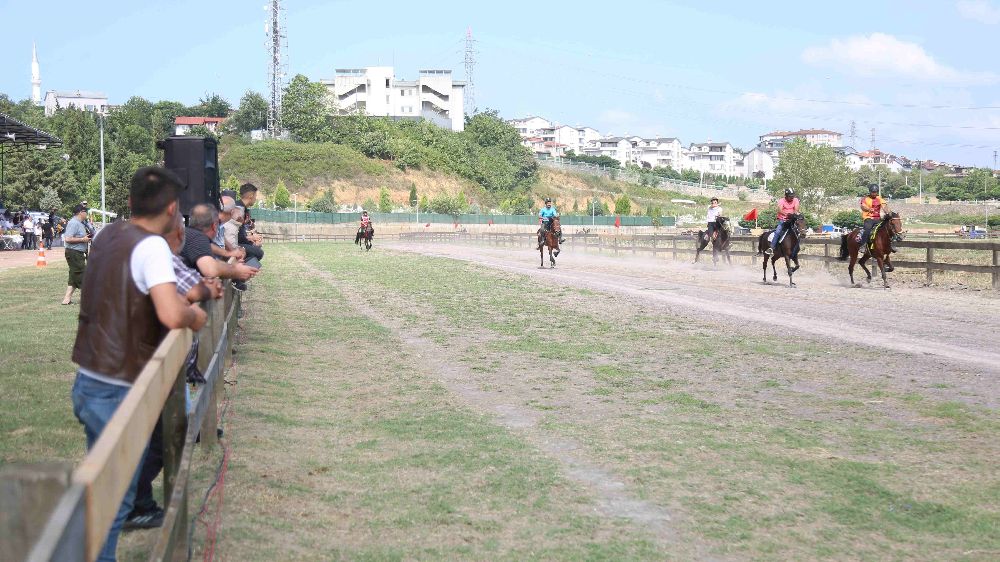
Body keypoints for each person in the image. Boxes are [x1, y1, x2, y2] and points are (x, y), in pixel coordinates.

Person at [71, 166, 207, 562]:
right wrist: (195, 316)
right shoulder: (151, 247)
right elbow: (170, 312)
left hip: (89, 380)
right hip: (117, 389)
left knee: (103, 492)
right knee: (113, 504)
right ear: (171, 209)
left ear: (129, 203)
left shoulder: (108, 234)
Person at [126, 211, 222, 531]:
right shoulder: (160, 255)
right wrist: (203, 294)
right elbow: (191, 291)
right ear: (176, 235)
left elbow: (194, 286)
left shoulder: (165, 255)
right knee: (163, 435)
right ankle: (136, 501)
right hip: (156, 360)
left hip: (171, 361)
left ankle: (136, 500)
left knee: (175, 421)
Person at [181, 203, 259, 282]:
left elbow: (210, 246)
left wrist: (228, 254)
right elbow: (210, 269)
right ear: (215, 226)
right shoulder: (197, 238)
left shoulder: (189, 234)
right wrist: (235, 270)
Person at [62, 205, 92, 305]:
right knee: (82, 274)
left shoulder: (79, 223)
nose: (86, 214)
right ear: (80, 212)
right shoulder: (74, 223)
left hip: (76, 253)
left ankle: (66, 300)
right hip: (74, 252)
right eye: (85, 212)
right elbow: (68, 239)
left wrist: (86, 239)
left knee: (73, 276)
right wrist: (82, 240)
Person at [235, 183, 264, 262]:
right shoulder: (238, 209)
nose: (255, 198)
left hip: (239, 241)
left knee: (257, 249)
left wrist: (252, 239)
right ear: (251, 196)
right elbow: (233, 234)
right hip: (233, 244)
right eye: (255, 196)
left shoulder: (244, 209)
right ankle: (239, 269)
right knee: (258, 252)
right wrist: (251, 239)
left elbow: (241, 233)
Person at [767, 188, 800, 255]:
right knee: (778, 232)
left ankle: (797, 248)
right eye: (790, 196)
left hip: (792, 219)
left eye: (793, 196)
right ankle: (771, 248)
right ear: (786, 196)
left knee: (799, 231)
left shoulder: (796, 200)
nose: (792, 198)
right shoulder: (781, 201)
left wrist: (793, 215)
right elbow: (779, 210)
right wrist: (787, 214)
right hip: (783, 220)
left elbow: (796, 210)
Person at [858, 184, 889, 251]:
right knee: (867, 229)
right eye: (873, 192)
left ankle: (890, 244)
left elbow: (884, 206)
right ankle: (863, 245)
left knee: (888, 228)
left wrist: (887, 212)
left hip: (878, 219)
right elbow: (863, 206)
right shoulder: (865, 199)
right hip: (868, 218)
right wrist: (868, 209)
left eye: (875, 192)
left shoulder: (880, 199)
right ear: (870, 191)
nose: (874, 193)